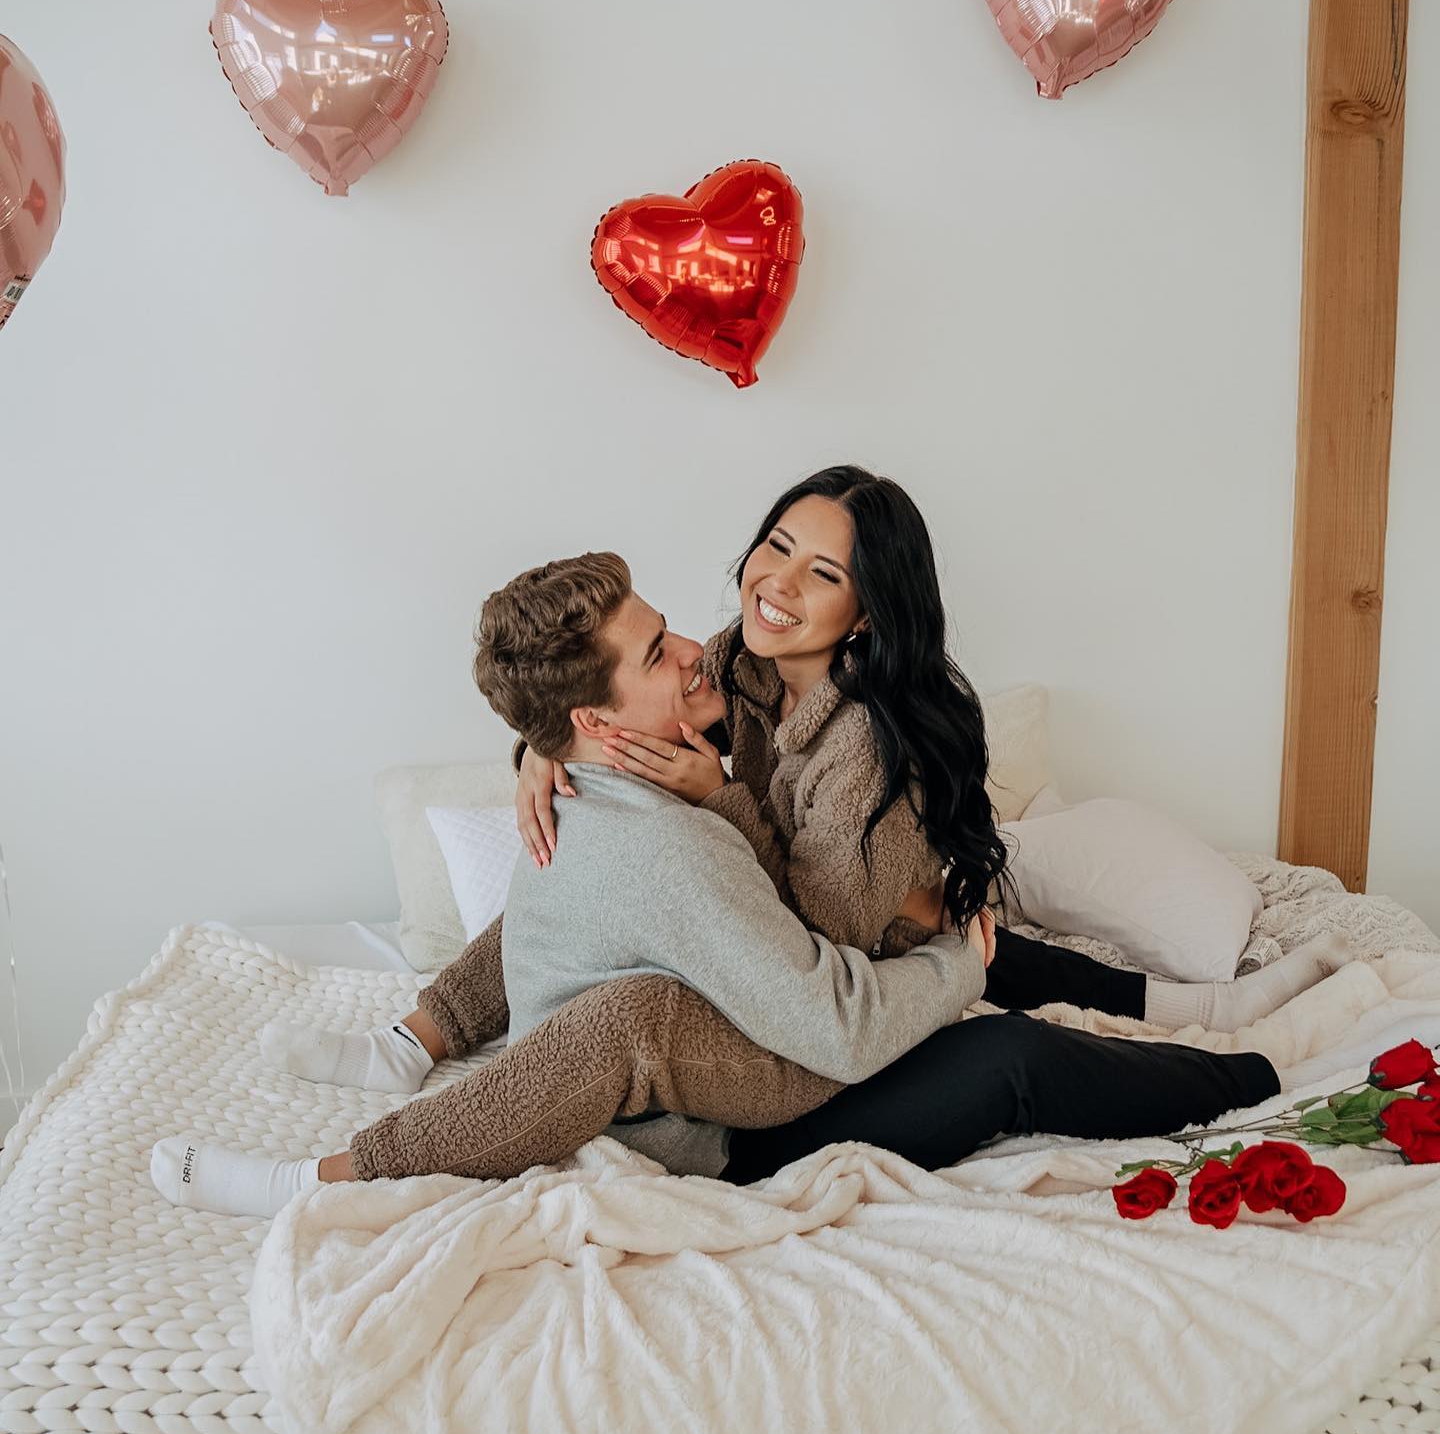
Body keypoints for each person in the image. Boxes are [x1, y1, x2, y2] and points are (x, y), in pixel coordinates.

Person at [149, 475, 1314, 1217]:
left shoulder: (862, 741)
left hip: (843, 925)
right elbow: (603, 710)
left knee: (996, 994)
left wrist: (729, 809)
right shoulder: (729, 671)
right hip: (778, 974)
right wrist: (545, 750)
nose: (768, 589)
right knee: (613, 900)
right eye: (775, 547)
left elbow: (824, 932)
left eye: (824, 573)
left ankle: (1255, 1065)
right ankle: (414, 1043)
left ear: (866, 610)